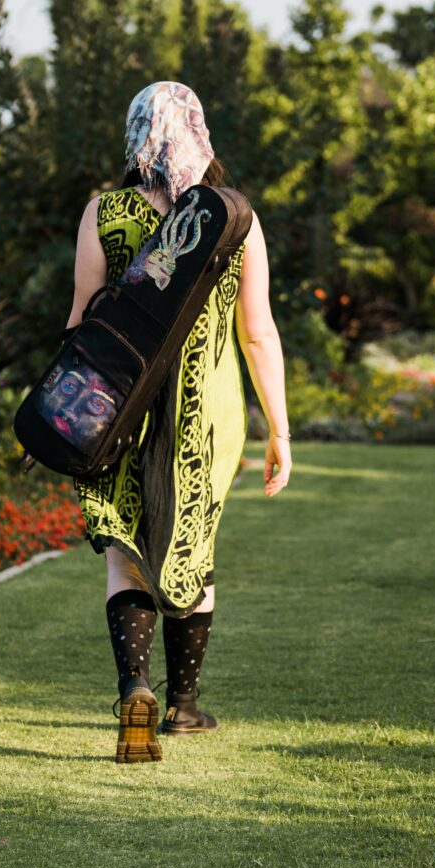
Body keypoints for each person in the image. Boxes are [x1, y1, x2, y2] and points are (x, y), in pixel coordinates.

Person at [64, 81, 292, 764]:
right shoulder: (234, 218)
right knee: (193, 545)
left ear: (136, 134)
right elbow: (259, 334)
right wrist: (280, 429)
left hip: (117, 407)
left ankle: (135, 686)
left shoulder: (104, 213)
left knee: (125, 552)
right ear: (199, 131)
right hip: (207, 415)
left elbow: (80, 322)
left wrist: (68, 412)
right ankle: (184, 708)